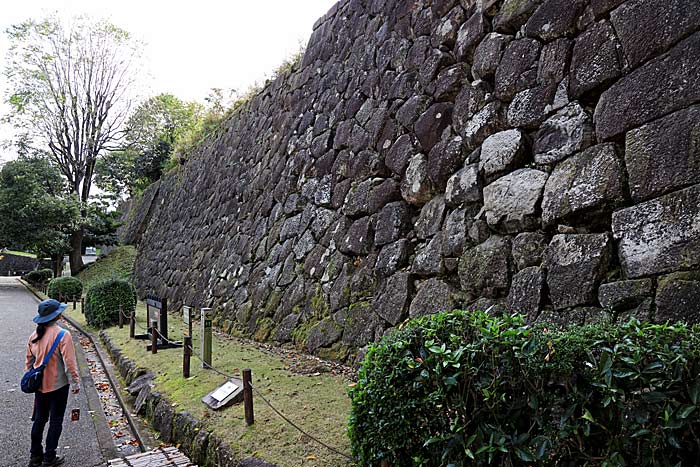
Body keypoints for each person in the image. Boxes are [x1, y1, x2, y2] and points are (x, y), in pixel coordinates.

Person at [25, 299, 80, 467]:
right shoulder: (63, 334)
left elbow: (29, 362)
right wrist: (76, 382)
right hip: (58, 386)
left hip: (39, 386)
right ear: (57, 315)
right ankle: (49, 457)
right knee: (56, 420)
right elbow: (70, 363)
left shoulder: (34, 336)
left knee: (39, 420)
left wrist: (31, 377)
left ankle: (35, 456)